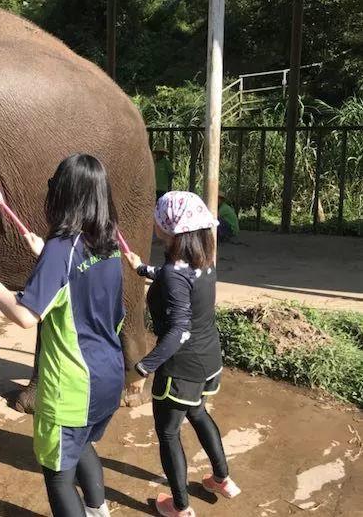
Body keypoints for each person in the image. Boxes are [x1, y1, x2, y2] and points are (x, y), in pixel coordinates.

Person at [0, 154, 125, 517]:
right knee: (83, 445)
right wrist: (47, 256)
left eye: (53, 186)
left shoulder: (61, 251)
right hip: (107, 377)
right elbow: (85, 287)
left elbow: (24, 315)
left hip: (71, 388)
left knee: (57, 476)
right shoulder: (108, 245)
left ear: (64, 195)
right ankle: (99, 511)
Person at [124, 191, 241, 517]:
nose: (155, 223)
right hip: (208, 361)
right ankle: (221, 478)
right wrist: (144, 269)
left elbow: (178, 331)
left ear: (171, 229)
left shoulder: (176, 273)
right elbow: (178, 280)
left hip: (181, 369)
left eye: (159, 219)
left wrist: (141, 368)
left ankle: (180, 507)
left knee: (168, 432)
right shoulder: (204, 262)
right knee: (199, 413)